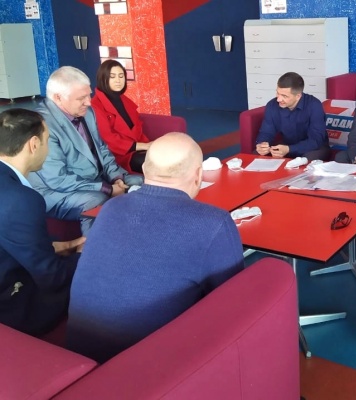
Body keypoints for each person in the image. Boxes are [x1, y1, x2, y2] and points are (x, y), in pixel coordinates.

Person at [66, 132, 245, 363]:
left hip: (80, 354)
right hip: (154, 368)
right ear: (198, 175)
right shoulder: (213, 222)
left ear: (144, 170)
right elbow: (233, 303)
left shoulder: (111, 207)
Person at [27, 66, 143, 233]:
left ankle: (138, 234)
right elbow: (58, 179)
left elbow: (102, 150)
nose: (89, 102)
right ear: (58, 98)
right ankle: (92, 246)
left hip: (94, 178)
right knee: (97, 200)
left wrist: (116, 177)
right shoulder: (42, 125)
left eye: (89, 95)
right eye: (81, 98)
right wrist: (108, 188)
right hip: (56, 191)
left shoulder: (88, 112)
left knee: (140, 182)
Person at [0, 108, 85, 336]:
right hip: (10, 306)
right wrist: (85, 256)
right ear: (34, 144)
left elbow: (11, 237)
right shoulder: (21, 199)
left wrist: (66, 245)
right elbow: (52, 277)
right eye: (47, 141)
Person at [92, 59, 151, 174]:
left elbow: (137, 126)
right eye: (112, 77)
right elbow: (108, 139)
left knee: (169, 152)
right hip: (117, 155)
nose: (118, 80)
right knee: (156, 161)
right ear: (103, 78)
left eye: (121, 76)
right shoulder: (95, 105)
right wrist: (143, 146)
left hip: (137, 148)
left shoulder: (124, 100)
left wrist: (146, 145)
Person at [255, 72, 330, 161]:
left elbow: (316, 141)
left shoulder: (314, 105)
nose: (278, 99)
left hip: (313, 148)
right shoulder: (272, 105)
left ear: (298, 96)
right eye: (278, 93)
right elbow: (266, 132)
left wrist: (289, 149)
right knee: (256, 155)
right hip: (287, 145)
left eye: (284, 96)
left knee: (306, 160)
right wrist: (262, 145)